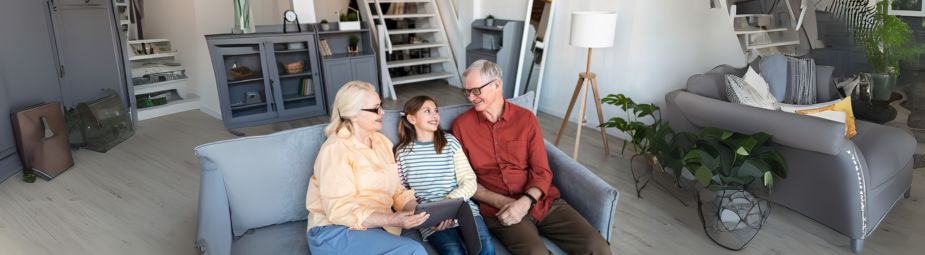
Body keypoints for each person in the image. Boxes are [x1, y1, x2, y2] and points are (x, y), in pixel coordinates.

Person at [450, 60, 612, 255]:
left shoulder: (526, 119)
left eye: (476, 90)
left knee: (598, 247)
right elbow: (466, 181)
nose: (471, 97)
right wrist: (504, 203)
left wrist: (525, 202)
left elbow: (542, 171)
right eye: (467, 92)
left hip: (542, 202)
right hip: (498, 210)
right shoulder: (461, 126)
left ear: (497, 85)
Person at [306, 81, 430, 255]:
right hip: (335, 230)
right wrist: (392, 218)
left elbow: (398, 192)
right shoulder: (335, 150)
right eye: (375, 109)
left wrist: (422, 214)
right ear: (353, 114)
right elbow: (340, 210)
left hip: (376, 228)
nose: (382, 112)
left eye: (381, 106)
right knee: (413, 251)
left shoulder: (382, 142)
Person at [394, 96, 495, 255]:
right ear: (411, 118)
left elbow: (469, 181)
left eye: (436, 111)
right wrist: (430, 216)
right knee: (452, 252)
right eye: (427, 111)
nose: (435, 116)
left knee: (485, 247)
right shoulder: (402, 153)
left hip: (462, 209)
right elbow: (402, 192)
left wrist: (448, 205)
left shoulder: (450, 143)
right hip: (430, 219)